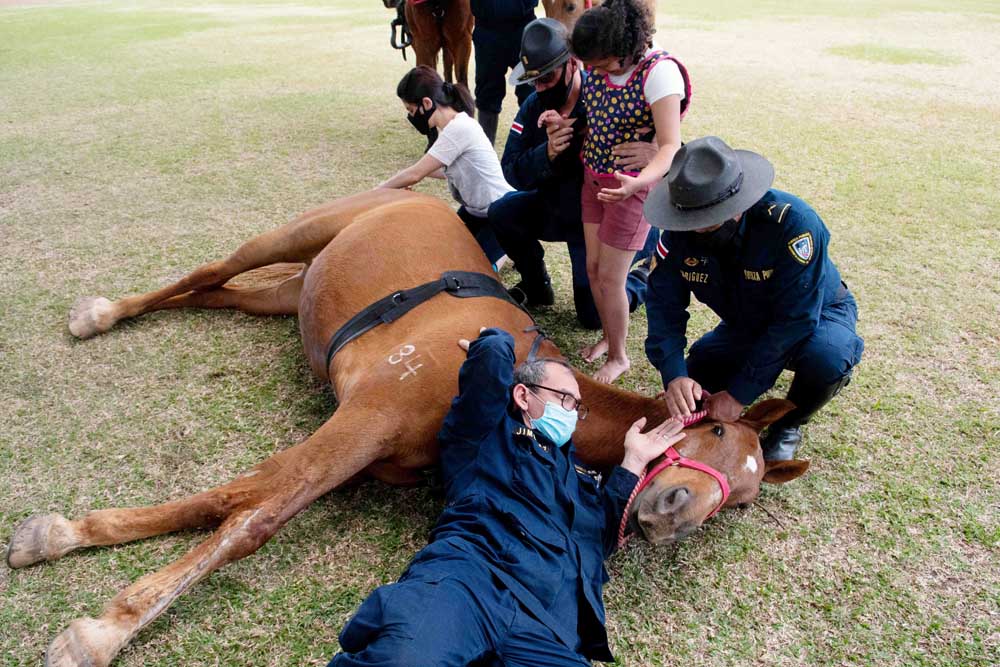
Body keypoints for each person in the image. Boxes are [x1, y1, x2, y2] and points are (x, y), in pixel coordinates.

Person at [327, 327, 685, 666]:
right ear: (522, 395)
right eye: (565, 399)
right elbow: (495, 353)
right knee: (407, 659)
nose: (572, 414)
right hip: (469, 582)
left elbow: (600, 538)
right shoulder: (486, 431)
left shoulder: (578, 477)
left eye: (577, 407)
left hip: (549, 625)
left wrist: (633, 460)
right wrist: (491, 342)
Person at [643, 136, 865, 461]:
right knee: (699, 368)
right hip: (746, 322)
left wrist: (738, 395)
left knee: (826, 358)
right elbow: (663, 306)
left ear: (737, 205)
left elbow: (795, 320)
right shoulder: (678, 234)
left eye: (708, 221)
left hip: (817, 313)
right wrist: (674, 373)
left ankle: (790, 423)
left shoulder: (793, 225)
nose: (696, 230)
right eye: (690, 221)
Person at [492, 17, 660, 330]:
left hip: (601, 217)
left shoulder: (605, 96)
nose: (540, 87)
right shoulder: (532, 107)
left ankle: (641, 276)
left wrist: (656, 150)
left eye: (548, 77)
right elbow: (511, 170)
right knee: (502, 212)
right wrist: (547, 153)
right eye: (534, 79)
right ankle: (536, 284)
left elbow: (671, 149)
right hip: (557, 208)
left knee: (593, 317)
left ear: (572, 64)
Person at [570, 0, 691, 384]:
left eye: (602, 64)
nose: (594, 72)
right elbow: (592, 114)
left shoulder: (659, 73)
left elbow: (670, 146)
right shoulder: (596, 66)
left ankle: (620, 356)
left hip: (631, 188)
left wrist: (639, 182)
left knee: (611, 278)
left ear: (624, 49)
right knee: (593, 269)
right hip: (594, 179)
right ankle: (609, 337)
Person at [379, 66, 512, 266]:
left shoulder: (458, 128)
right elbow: (443, 170)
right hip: (474, 212)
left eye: (411, 111)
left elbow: (415, 174)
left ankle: (508, 248)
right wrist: (401, 182)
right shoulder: (454, 127)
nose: (412, 117)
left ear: (426, 103)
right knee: (445, 254)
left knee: (476, 270)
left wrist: (378, 190)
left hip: (500, 214)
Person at [470, 0, 538, 145]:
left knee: (531, 91)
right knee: (487, 95)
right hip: (487, 30)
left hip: (523, 28)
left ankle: (532, 149)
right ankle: (486, 153)